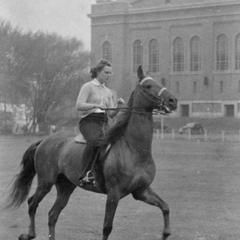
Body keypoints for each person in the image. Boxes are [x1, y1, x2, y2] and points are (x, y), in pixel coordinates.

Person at [76, 59, 124, 186]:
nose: (109, 75)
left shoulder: (108, 91)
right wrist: (95, 105)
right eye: (106, 72)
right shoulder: (88, 86)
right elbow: (79, 105)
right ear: (98, 72)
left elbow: (111, 114)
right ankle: (85, 175)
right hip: (88, 121)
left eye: (110, 73)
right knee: (95, 141)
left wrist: (118, 106)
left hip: (103, 121)